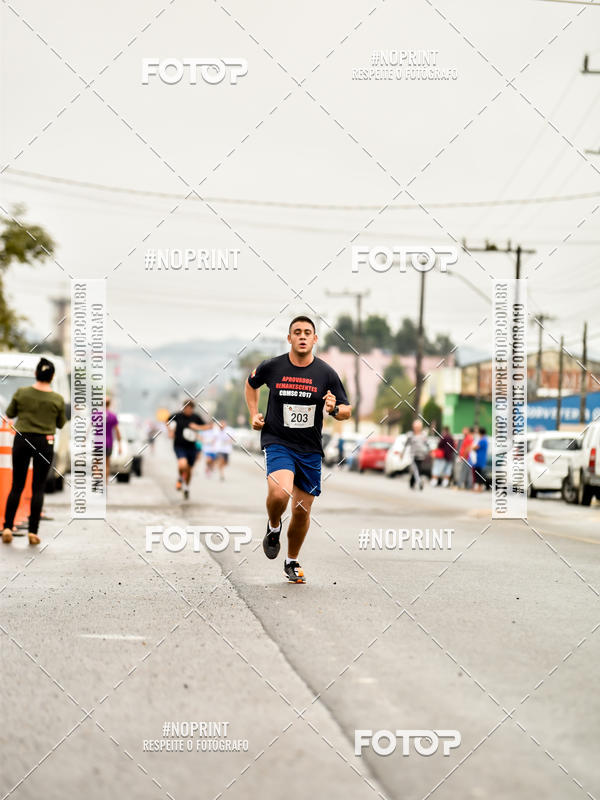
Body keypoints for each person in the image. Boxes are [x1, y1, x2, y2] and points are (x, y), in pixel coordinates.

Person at [245, 315, 351, 583]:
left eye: (307, 332)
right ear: (289, 338)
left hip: (310, 449)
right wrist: (254, 413)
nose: (302, 336)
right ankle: (273, 526)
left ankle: (291, 561)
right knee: (280, 494)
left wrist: (333, 408)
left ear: (315, 339)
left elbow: (346, 410)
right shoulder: (273, 367)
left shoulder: (326, 373)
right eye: (297, 332)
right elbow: (251, 383)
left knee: (302, 510)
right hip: (278, 441)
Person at [2, 358, 66, 546]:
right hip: (45, 441)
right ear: (52, 377)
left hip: (22, 439)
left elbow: (10, 413)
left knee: (17, 485)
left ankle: (7, 527)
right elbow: (61, 423)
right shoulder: (57, 399)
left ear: (35, 374)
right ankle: (33, 532)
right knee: (38, 488)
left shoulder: (22, 393)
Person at [168, 400, 211, 499]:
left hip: (192, 447)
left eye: (190, 408)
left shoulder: (195, 417)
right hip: (179, 445)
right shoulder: (177, 416)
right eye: (186, 408)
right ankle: (180, 478)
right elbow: (167, 421)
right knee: (182, 464)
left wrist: (197, 427)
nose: (188, 410)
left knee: (189, 470)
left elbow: (207, 427)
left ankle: (186, 487)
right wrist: (170, 431)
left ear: (192, 409)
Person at [402, 419, 429, 490]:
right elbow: (406, 445)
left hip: (421, 455)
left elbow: (427, 445)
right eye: (416, 427)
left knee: (418, 470)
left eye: (419, 427)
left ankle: (412, 482)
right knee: (415, 469)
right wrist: (402, 453)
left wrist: (429, 452)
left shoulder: (424, 435)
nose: (417, 428)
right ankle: (420, 483)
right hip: (413, 455)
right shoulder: (410, 435)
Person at [105, 398, 122, 483]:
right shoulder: (113, 416)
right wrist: (120, 445)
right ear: (109, 404)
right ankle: (105, 483)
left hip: (98, 443)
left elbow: (89, 428)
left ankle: (98, 481)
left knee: (97, 463)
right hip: (108, 443)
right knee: (107, 464)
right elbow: (117, 431)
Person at [472, 426, 489, 492]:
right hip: (480, 459)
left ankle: (480, 488)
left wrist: (472, 447)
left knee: (479, 474)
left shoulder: (483, 440)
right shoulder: (484, 439)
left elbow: (475, 447)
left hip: (480, 459)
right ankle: (479, 487)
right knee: (479, 473)